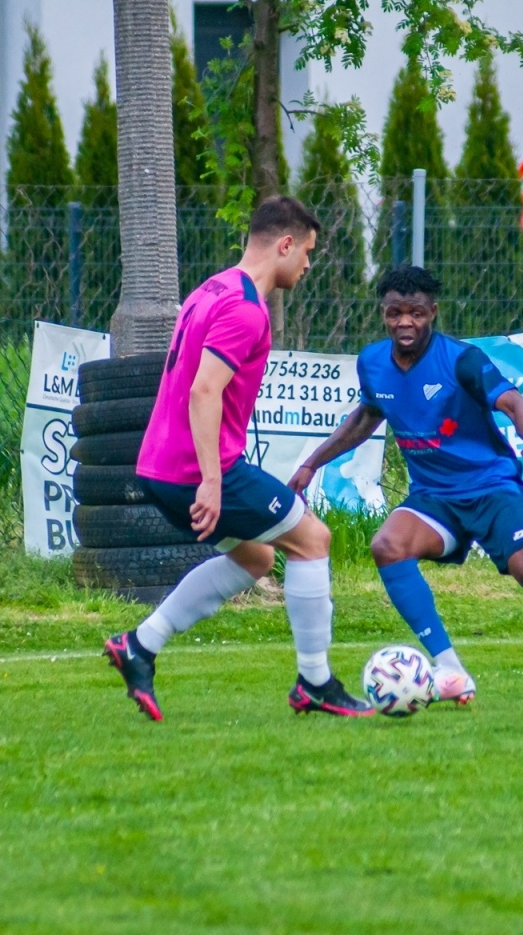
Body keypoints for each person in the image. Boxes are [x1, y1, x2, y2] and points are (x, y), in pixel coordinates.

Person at [290, 266, 523, 710]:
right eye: (394, 313)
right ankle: (450, 667)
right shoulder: (372, 362)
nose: (404, 323)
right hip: (434, 498)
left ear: (432, 313)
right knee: (387, 545)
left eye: (415, 313)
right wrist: (310, 465)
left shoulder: (461, 359)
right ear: (383, 314)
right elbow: (366, 417)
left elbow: (513, 402)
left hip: (490, 488)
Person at [103, 196, 371, 720]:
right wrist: (211, 481)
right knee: (313, 540)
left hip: (156, 466)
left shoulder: (212, 287)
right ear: (285, 245)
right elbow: (204, 392)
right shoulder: (247, 310)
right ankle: (315, 682)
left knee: (257, 557)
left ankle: (140, 645)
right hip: (196, 470)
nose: (309, 265)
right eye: (308, 252)